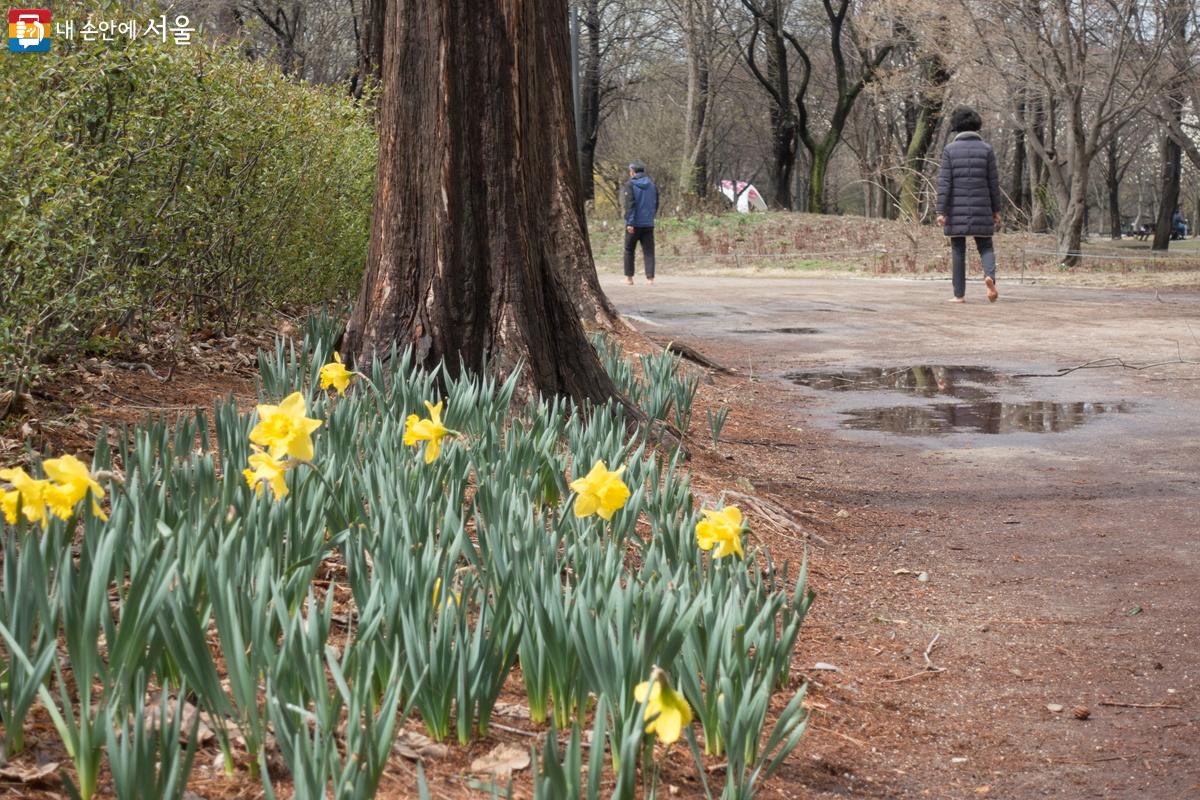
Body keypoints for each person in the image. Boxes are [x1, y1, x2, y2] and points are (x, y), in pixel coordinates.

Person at [936, 107, 1002, 303]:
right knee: (986, 246)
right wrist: (996, 210)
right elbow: (993, 183)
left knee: (958, 249)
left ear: (956, 126)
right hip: (983, 206)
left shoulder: (949, 150)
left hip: (956, 209)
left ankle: (959, 295)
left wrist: (941, 210)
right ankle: (989, 277)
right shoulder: (987, 150)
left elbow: (945, 183)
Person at [623, 161, 659, 285]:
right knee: (649, 251)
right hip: (648, 223)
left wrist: (630, 223)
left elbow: (630, 205)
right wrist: (651, 217)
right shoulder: (652, 185)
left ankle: (629, 278)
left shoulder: (630, 185)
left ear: (633, 171)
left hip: (634, 223)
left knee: (629, 250)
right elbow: (656, 204)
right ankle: (650, 278)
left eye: (630, 171)